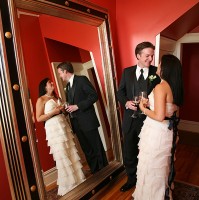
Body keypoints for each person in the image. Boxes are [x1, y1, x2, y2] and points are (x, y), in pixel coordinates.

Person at [132, 54, 184, 200]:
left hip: (156, 132)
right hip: (168, 130)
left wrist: (143, 108)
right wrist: (151, 104)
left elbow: (159, 116)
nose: (158, 65)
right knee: (161, 166)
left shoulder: (161, 87)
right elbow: (167, 110)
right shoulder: (175, 86)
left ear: (166, 68)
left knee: (152, 166)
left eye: (160, 63)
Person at [117, 41, 161, 192]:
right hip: (130, 120)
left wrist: (152, 101)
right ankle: (131, 179)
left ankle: (147, 181)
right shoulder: (127, 72)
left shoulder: (156, 72)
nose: (151, 59)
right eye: (147, 56)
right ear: (138, 56)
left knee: (149, 153)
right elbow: (120, 92)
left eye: (152, 56)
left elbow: (161, 94)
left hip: (149, 121)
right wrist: (126, 103)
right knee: (129, 152)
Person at [36, 78, 85, 196]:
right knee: (62, 154)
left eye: (52, 82)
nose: (52, 84)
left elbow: (63, 112)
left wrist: (63, 110)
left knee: (70, 151)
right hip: (53, 128)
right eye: (50, 83)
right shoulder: (41, 99)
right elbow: (39, 118)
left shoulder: (57, 98)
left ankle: (78, 179)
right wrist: (54, 111)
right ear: (45, 86)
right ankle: (69, 184)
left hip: (63, 125)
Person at [57, 61, 108, 174]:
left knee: (96, 147)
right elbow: (71, 103)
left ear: (65, 71)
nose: (60, 76)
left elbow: (94, 96)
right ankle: (95, 171)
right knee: (87, 150)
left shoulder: (82, 79)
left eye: (60, 73)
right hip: (76, 123)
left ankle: (105, 171)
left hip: (88, 121)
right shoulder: (67, 87)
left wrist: (78, 106)